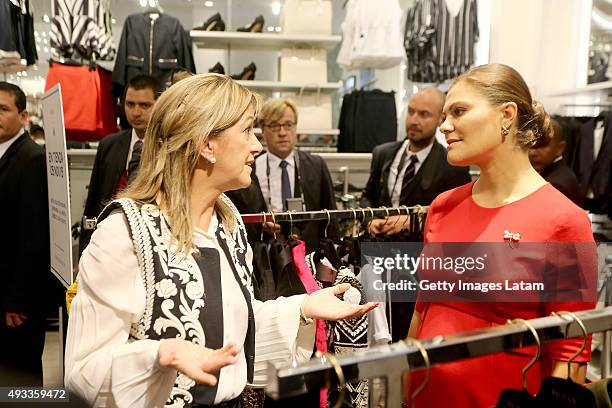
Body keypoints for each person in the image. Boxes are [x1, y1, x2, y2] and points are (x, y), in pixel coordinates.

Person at [64, 74, 377, 407]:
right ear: (206, 144)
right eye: (246, 131)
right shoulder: (123, 234)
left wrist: (301, 308)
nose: (257, 145)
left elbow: (231, 331)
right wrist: (159, 354)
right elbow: (83, 371)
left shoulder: (227, 223)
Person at [407, 64, 596, 407]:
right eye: (446, 114)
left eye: (459, 111)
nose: (445, 125)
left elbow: (571, 352)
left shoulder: (565, 221)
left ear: (506, 115)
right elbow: (423, 310)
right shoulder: (443, 206)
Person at [226, 98, 337, 252]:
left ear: (296, 128)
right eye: (274, 126)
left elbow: (331, 215)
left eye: (288, 125)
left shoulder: (316, 165)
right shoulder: (249, 167)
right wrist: (261, 223)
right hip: (266, 256)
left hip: (310, 254)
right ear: (263, 131)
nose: (282, 132)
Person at [361, 87, 471, 235]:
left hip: (421, 251)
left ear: (441, 119)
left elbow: (457, 216)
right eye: (411, 111)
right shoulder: (383, 154)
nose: (413, 120)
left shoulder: (453, 166)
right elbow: (368, 196)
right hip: (379, 245)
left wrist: (414, 222)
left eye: (424, 115)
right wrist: (370, 220)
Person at [0, 82, 50, 386]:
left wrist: (18, 300)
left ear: (22, 115)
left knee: (21, 381)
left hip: (15, 301)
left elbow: (34, 236)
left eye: (3, 109)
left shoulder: (31, 158)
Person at [78, 74, 159, 254]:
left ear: (159, 104)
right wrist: (84, 250)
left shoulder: (170, 149)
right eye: (130, 104)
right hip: (106, 241)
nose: (136, 112)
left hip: (149, 246)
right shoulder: (109, 145)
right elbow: (93, 202)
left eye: (145, 105)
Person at [529, 118, 582, 205]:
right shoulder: (558, 174)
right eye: (530, 145)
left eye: (542, 145)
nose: (533, 152)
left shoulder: (556, 185)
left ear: (560, 148)